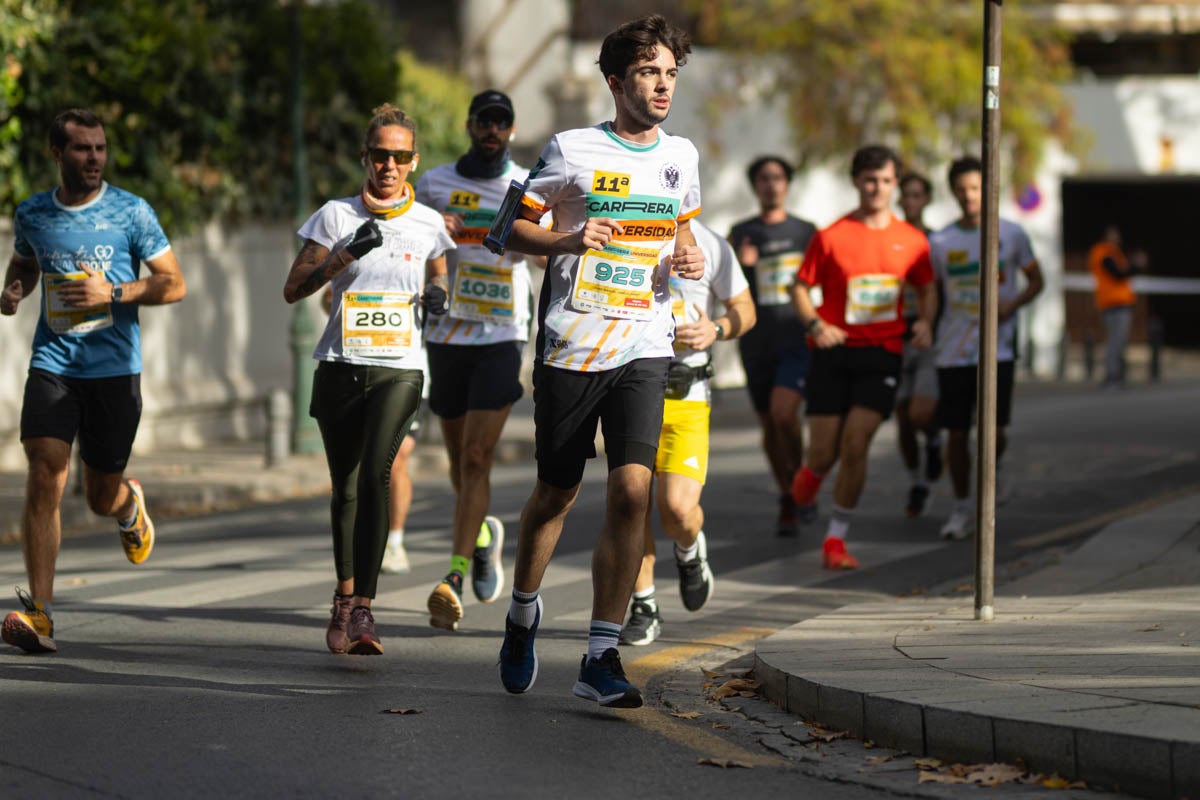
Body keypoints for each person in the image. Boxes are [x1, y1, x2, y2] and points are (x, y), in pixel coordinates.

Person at [496, 14, 705, 708]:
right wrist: (567, 239)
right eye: (650, 72)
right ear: (616, 82)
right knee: (557, 492)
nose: (663, 85)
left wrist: (690, 254)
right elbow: (508, 230)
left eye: (671, 73)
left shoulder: (682, 155)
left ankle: (600, 654)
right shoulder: (571, 149)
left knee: (633, 492)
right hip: (571, 346)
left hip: (645, 342)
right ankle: (524, 609)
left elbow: (683, 234)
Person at [1, 108, 187, 654]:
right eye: (82, 149)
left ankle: (128, 504)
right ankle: (41, 613)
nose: (94, 159)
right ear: (57, 154)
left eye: (100, 148)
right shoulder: (33, 213)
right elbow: (25, 266)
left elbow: (173, 284)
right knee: (44, 471)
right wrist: (13, 292)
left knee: (99, 494)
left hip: (114, 371)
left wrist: (114, 292)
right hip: (54, 365)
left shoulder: (131, 212)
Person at [283, 103, 453, 655]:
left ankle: (364, 611)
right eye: (379, 155)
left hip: (400, 367)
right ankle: (343, 593)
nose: (389, 165)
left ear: (413, 161)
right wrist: (339, 258)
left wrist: (438, 297)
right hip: (339, 364)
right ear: (365, 157)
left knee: (379, 471)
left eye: (399, 157)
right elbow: (295, 288)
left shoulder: (427, 222)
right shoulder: (334, 216)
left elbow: (440, 274)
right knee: (346, 488)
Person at [414, 90, 541, 630]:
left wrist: (526, 235)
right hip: (446, 332)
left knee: (474, 459)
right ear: (469, 125)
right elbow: (417, 244)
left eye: (502, 122)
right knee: (456, 460)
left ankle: (456, 573)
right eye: (484, 121)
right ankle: (484, 532)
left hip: (501, 332)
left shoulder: (527, 184)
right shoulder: (435, 183)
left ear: (511, 130)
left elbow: (541, 248)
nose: (492, 129)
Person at [789, 144, 936, 570]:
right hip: (832, 352)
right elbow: (800, 288)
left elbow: (926, 287)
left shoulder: (912, 241)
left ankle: (836, 539)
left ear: (895, 184)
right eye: (870, 180)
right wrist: (816, 325)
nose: (877, 188)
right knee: (822, 454)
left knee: (856, 444)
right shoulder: (832, 236)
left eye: (886, 181)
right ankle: (810, 480)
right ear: (856, 182)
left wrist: (925, 321)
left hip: (882, 353)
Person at [621, 219, 754, 646]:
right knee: (631, 502)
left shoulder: (712, 244)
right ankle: (644, 605)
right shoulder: (626, 231)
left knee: (676, 510)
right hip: (631, 385)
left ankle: (689, 547)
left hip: (688, 395)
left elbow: (745, 310)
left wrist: (717, 328)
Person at [930, 156, 1043, 540]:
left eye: (975, 188)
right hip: (952, 349)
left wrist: (1010, 305)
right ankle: (963, 507)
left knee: (993, 432)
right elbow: (932, 294)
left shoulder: (1010, 234)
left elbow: (1036, 280)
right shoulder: (941, 241)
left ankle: (990, 485)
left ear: (988, 189)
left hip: (998, 348)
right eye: (961, 189)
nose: (968, 196)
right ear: (953, 193)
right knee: (957, 435)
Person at [728, 157, 817, 536]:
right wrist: (745, 266)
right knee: (769, 423)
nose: (771, 185)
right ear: (755, 186)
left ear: (787, 184)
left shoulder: (806, 232)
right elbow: (729, 289)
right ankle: (787, 494)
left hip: (796, 339)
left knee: (785, 415)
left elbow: (821, 279)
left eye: (778, 178)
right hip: (757, 341)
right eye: (763, 179)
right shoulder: (742, 231)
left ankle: (800, 482)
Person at [894, 171, 944, 517]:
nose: (911, 201)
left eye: (917, 195)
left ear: (926, 200)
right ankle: (917, 481)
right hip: (895, 333)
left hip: (928, 333)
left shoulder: (936, 241)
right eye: (906, 195)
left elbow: (943, 288)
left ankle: (935, 439)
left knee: (920, 411)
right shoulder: (890, 238)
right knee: (902, 418)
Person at [1088, 225, 1145, 390]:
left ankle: (1116, 374)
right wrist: (1137, 266)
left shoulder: (1113, 252)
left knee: (1117, 341)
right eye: (1113, 235)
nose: (1117, 238)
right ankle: (1112, 376)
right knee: (1115, 341)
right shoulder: (1103, 252)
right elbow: (1117, 273)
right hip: (1113, 303)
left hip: (1117, 302)